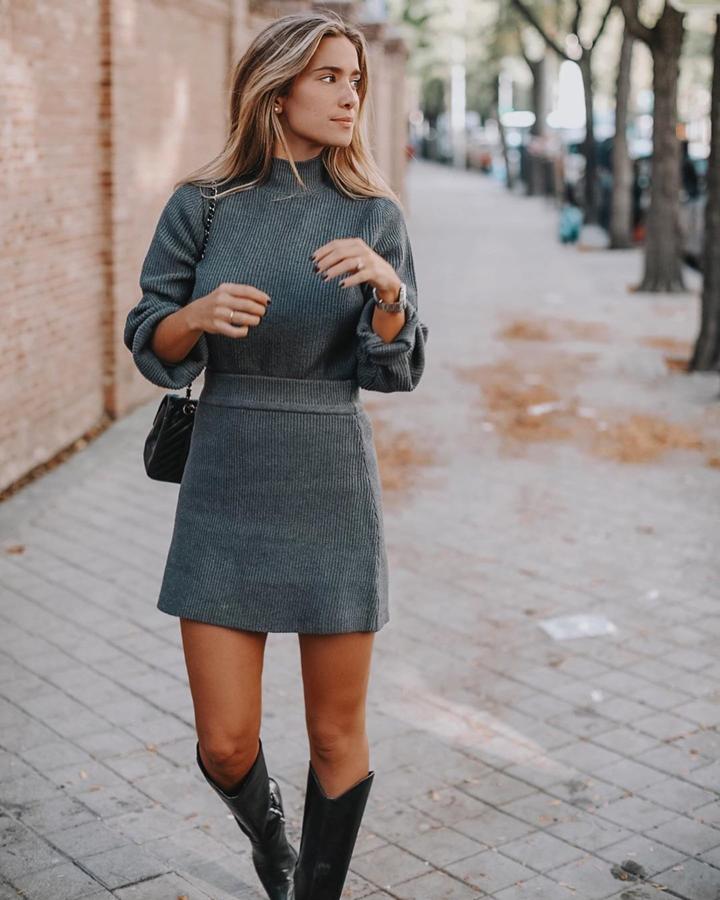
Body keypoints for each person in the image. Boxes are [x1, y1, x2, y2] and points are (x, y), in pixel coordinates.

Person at [123, 10, 429, 900]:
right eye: (330, 76)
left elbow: (397, 368)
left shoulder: (375, 214)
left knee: (337, 736)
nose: (349, 95)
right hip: (225, 475)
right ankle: (269, 836)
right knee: (224, 740)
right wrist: (195, 315)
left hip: (330, 471)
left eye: (356, 79)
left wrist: (388, 295)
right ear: (278, 85)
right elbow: (151, 336)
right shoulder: (205, 204)